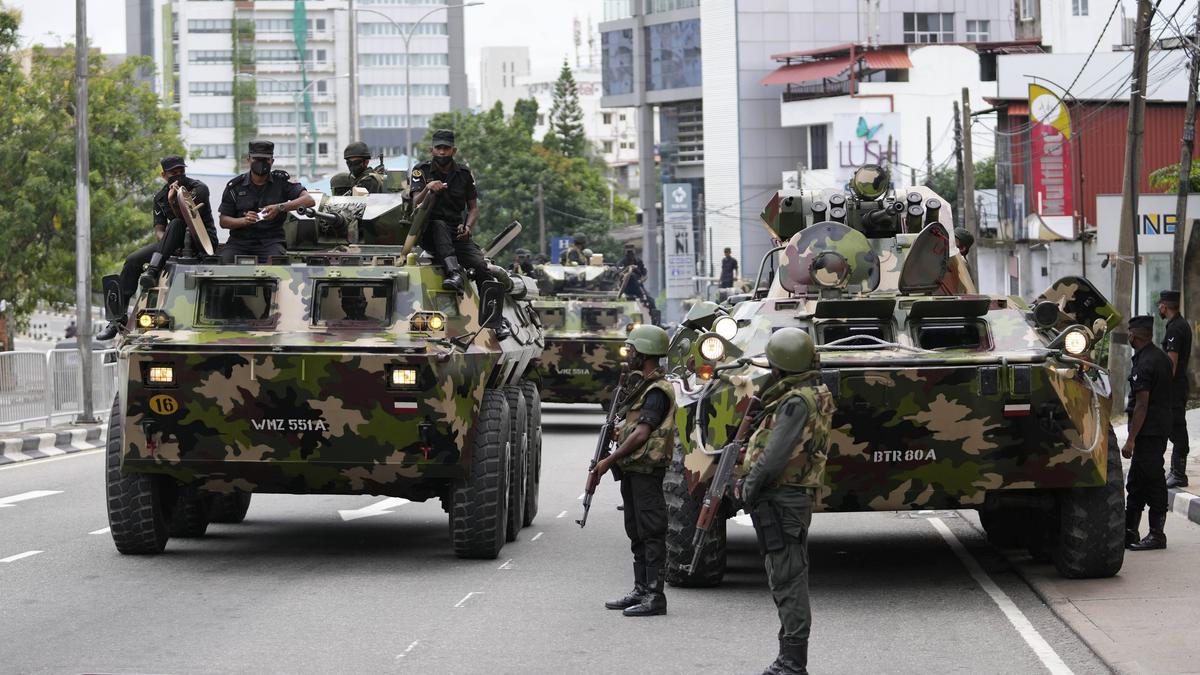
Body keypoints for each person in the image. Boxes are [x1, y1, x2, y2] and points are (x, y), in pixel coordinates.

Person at [736, 327, 835, 675]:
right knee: (787, 573)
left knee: (788, 578)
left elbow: (775, 457)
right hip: (790, 496)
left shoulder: (795, 401)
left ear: (781, 367)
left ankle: (792, 662)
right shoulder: (813, 392)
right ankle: (789, 657)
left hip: (783, 497)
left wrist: (748, 488)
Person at [592, 325, 675, 617]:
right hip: (634, 469)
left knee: (651, 530)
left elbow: (642, 434)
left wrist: (608, 461)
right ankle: (641, 589)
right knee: (636, 529)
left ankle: (655, 595)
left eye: (633, 351)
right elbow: (633, 428)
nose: (630, 356)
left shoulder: (656, 391)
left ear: (645, 354)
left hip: (646, 469)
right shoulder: (642, 386)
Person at [98, 155, 219, 340]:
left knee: (177, 223)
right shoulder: (159, 197)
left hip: (202, 240)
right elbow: (159, 231)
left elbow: (188, 220)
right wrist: (167, 246)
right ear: (164, 175)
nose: (179, 176)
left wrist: (173, 201)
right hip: (173, 242)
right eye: (173, 173)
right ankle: (118, 319)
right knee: (132, 261)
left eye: (181, 171)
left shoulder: (198, 188)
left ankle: (153, 271)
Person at [409, 129, 509, 339]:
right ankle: (453, 273)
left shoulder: (463, 174)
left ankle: (495, 320)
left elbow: (473, 208)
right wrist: (428, 188)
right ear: (432, 149)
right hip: (428, 232)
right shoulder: (421, 171)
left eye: (446, 148)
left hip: (457, 231)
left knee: (481, 266)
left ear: (453, 150)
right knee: (437, 224)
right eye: (438, 148)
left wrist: (468, 227)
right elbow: (415, 204)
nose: (442, 152)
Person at [217, 140, 315, 264]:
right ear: (248, 159)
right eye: (256, 159)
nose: (260, 163)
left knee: (278, 267)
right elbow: (223, 221)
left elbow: (309, 200)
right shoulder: (235, 186)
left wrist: (280, 207)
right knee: (222, 266)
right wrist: (243, 221)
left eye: (265, 159)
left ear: (272, 161)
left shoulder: (282, 182)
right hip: (239, 242)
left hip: (271, 242)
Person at [1124, 315, 1174, 551]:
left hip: (1148, 432)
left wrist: (1131, 440)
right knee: (1136, 481)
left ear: (1134, 335)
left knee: (1153, 480)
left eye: (1129, 333)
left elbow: (1141, 404)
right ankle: (1128, 531)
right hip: (1158, 427)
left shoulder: (1145, 363)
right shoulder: (1161, 358)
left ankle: (1157, 534)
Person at [1159, 290, 1192, 488]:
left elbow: (1171, 363)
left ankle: (1179, 474)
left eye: (1159, 305)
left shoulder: (1175, 329)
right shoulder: (1179, 325)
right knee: (1174, 426)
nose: (1158, 309)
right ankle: (1176, 472)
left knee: (1177, 427)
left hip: (1174, 386)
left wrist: (1161, 385)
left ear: (1164, 306)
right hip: (1178, 385)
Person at [618, 243, 660, 325]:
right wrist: (628, 269)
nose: (630, 255)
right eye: (628, 253)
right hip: (626, 288)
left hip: (638, 286)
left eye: (631, 253)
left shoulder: (638, 261)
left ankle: (656, 322)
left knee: (651, 301)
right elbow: (619, 274)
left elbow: (645, 274)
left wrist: (641, 281)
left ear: (634, 252)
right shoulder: (622, 262)